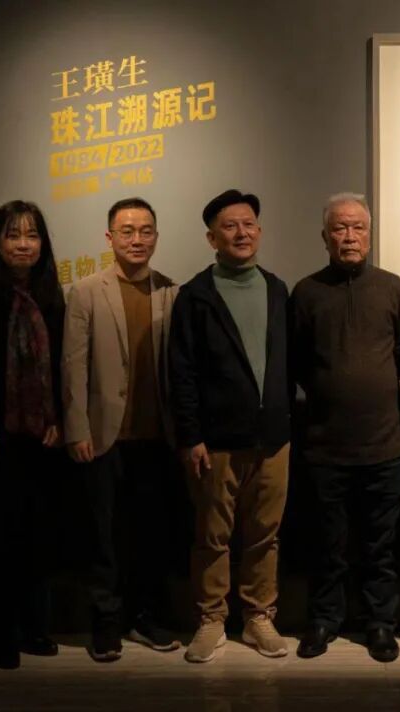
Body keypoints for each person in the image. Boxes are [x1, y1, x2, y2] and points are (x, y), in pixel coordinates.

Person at [169, 189, 292, 663]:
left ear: (259, 231)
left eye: (248, 224)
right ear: (212, 238)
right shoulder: (195, 296)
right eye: (230, 226)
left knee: (265, 534)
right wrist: (191, 436)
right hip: (215, 440)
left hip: (273, 438)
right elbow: (181, 372)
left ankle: (259, 616)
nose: (241, 233)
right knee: (212, 535)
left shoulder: (277, 289)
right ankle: (211, 618)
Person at [291, 193, 400, 663]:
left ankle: (379, 623)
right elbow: (297, 361)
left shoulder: (392, 289)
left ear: (370, 235)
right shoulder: (306, 292)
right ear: (324, 237)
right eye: (339, 228)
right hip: (325, 447)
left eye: (358, 227)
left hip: (385, 446)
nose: (349, 236)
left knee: (380, 547)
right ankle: (324, 620)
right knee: (328, 545)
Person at [62, 197, 181, 662]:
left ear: (157, 237)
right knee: (104, 537)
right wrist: (76, 429)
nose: (137, 239)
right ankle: (106, 624)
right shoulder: (86, 291)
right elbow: (73, 368)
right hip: (102, 437)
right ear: (109, 237)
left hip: (157, 436)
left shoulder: (171, 291)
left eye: (146, 231)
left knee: (152, 535)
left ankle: (145, 617)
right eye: (127, 231)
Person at [0, 201, 65, 670]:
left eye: (32, 235)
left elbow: (62, 369)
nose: (24, 244)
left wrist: (58, 420)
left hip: (40, 440)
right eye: (13, 235)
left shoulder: (52, 298)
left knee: (36, 534)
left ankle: (34, 627)